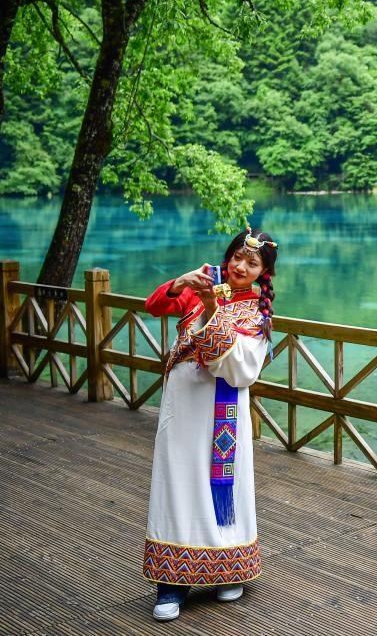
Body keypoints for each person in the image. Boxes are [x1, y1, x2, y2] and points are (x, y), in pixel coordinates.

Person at [142, 227, 277, 621]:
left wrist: (212, 308)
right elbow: (154, 306)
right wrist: (181, 283)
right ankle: (171, 583)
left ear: (263, 272)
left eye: (252, 263)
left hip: (223, 413)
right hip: (183, 406)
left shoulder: (258, 312)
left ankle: (228, 568)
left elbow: (243, 370)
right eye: (237, 257)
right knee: (178, 484)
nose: (241, 267)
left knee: (227, 491)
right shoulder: (203, 282)